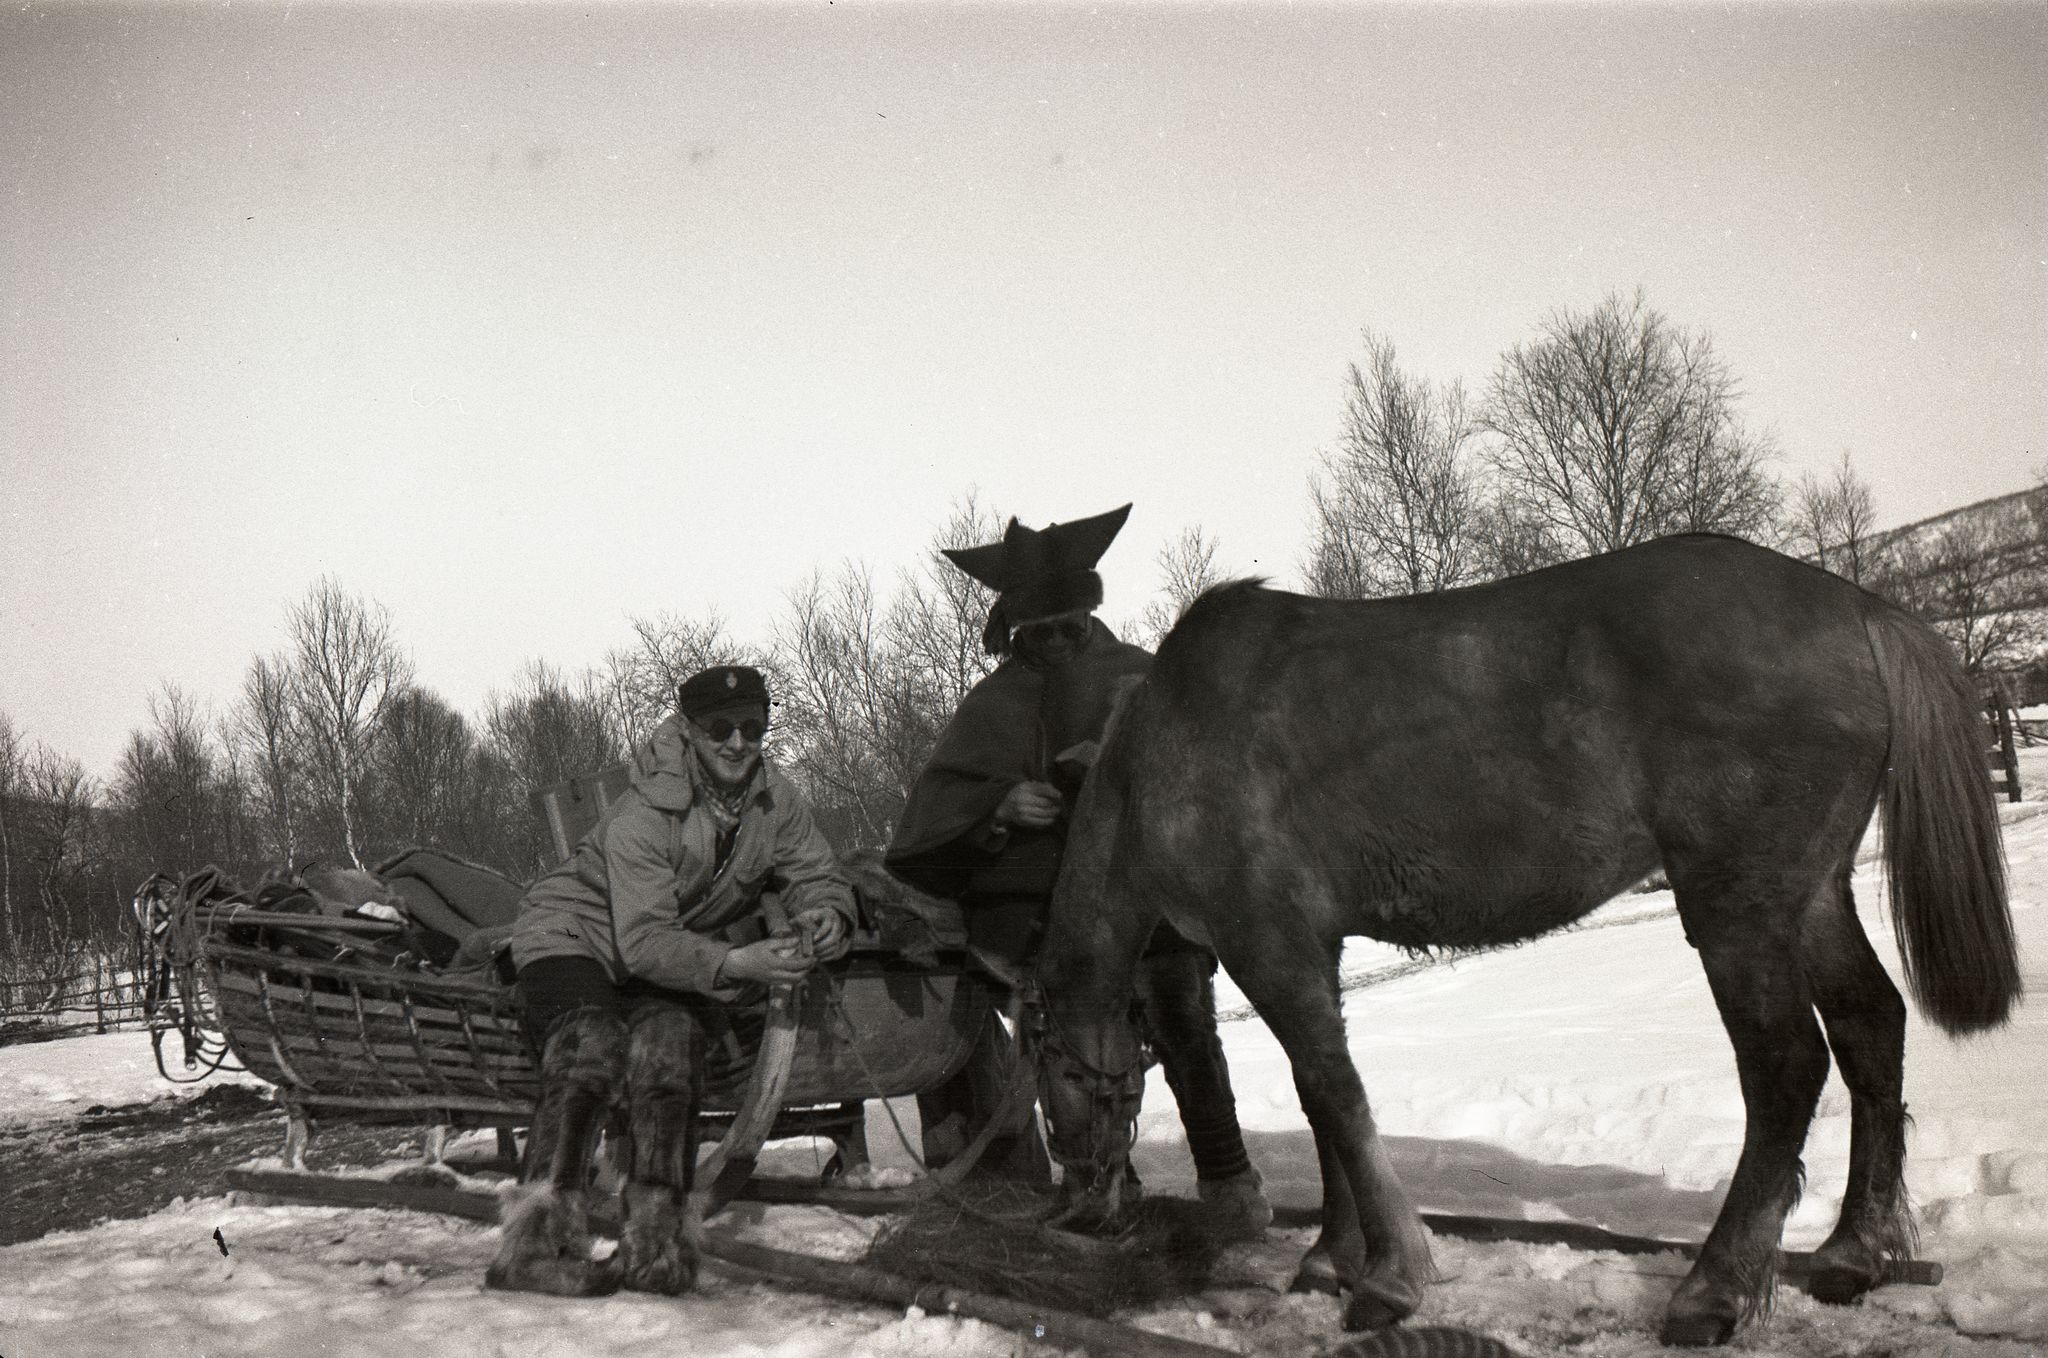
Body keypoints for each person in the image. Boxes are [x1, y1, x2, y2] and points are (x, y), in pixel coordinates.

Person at [886, 504, 1274, 1238]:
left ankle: (1228, 1180)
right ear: (1017, 631)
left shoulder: (1143, 677)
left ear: (1092, 613)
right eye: (1045, 633)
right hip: (1041, 911)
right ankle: (1100, 1184)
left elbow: (1213, 775)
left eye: (1074, 626)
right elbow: (933, 817)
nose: (1063, 643)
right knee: (1070, 1042)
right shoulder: (994, 702)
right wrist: (1000, 807)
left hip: (1153, 903)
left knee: (1185, 1022)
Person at [487, 664, 854, 1297]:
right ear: (688, 731)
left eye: (751, 726)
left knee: (673, 1043)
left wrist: (827, 913)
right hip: (573, 933)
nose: (737, 742)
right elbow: (645, 941)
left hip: (662, 947)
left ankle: (655, 1244)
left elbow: (816, 873)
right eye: (719, 728)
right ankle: (534, 1246)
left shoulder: (775, 801)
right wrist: (738, 963)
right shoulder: (645, 813)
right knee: (591, 1041)